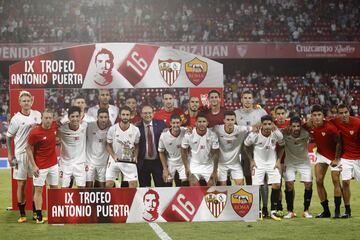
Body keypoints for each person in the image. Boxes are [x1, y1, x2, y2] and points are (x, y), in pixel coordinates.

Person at [6, 91, 41, 223]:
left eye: (28, 100)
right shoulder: (16, 119)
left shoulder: (37, 115)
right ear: (20, 103)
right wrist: (10, 154)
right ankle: (22, 214)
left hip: (34, 154)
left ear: (32, 101)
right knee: (21, 183)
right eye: (24, 101)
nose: (26, 103)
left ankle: (34, 212)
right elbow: (9, 137)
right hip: (20, 154)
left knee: (35, 183)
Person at [305, 104, 342, 218]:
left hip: (334, 156)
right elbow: (295, 128)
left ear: (323, 116)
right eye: (314, 115)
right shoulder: (309, 126)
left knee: (335, 180)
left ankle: (337, 211)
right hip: (321, 154)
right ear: (311, 116)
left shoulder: (330, 127)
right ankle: (326, 211)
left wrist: (336, 158)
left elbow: (339, 142)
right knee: (319, 181)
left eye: (319, 115)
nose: (317, 117)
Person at [234, 91, 268, 215]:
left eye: (250, 98)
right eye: (245, 98)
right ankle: (253, 207)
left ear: (253, 100)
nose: (247, 100)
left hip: (261, 150)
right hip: (245, 151)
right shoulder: (236, 114)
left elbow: (270, 125)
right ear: (241, 100)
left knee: (262, 180)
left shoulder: (261, 112)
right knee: (248, 179)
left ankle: (264, 209)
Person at [244, 115, 283, 221]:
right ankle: (258, 212)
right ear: (261, 125)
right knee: (256, 186)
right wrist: (251, 160)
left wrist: (279, 161)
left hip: (272, 164)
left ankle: (273, 211)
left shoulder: (277, 134)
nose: (267, 126)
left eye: (269, 124)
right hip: (258, 164)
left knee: (276, 184)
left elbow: (283, 145)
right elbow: (246, 146)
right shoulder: (254, 134)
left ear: (272, 124)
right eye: (265, 124)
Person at [26, 109, 58, 224]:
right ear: (42, 118)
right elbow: (28, 148)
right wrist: (34, 166)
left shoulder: (55, 127)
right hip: (40, 166)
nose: (48, 120)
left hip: (53, 165)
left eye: (50, 118)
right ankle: (39, 216)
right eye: (46, 118)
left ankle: (55, 214)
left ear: (52, 119)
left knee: (54, 189)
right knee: (39, 190)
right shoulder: (35, 132)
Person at [279, 116, 313, 219]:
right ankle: (290, 211)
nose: (296, 128)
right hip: (290, 163)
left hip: (304, 163)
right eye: (294, 126)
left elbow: (311, 125)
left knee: (308, 184)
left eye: (298, 126)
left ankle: (306, 211)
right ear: (290, 126)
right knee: (289, 185)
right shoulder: (284, 134)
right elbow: (276, 133)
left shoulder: (306, 133)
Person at [331, 104, 360, 218]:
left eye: (345, 112)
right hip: (346, 157)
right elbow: (323, 122)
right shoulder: (335, 122)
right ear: (338, 114)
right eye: (341, 113)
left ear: (349, 112)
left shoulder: (357, 123)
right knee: (345, 182)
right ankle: (347, 211)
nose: (343, 115)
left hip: (359, 157)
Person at [213, 111, 252, 186]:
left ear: (235, 120)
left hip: (235, 163)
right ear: (224, 120)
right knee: (222, 187)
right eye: (228, 120)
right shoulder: (217, 129)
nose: (230, 122)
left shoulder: (241, 129)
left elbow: (254, 128)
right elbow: (205, 130)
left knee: (240, 185)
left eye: (232, 120)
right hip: (221, 164)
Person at [105, 106, 140, 188]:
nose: (125, 117)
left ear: (130, 116)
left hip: (129, 160)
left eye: (127, 115)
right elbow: (108, 145)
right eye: (123, 114)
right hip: (114, 160)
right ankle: (112, 201)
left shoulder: (135, 130)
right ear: (120, 116)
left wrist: (135, 156)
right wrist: (114, 156)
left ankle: (129, 201)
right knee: (108, 184)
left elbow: (137, 145)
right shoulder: (112, 129)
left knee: (133, 185)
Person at [181, 113, 219, 186]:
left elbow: (216, 154)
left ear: (207, 123)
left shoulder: (213, 135)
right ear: (196, 123)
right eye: (199, 122)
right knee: (193, 183)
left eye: (204, 122)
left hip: (208, 164)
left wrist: (215, 170)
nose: (202, 124)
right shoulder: (189, 134)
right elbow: (183, 150)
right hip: (194, 164)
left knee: (211, 186)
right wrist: (186, 167)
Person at [58, 106, 87, 188]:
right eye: (72, 116)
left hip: (80, 163)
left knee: (82, 190)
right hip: (65, 164)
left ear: (80, 117)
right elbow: (54, 131)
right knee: (64, 190)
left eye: (77, 116)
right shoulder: (62, 129)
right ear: (68, 117)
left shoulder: (84, 126)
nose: (75, 119)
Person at [137, 105, 167, 187]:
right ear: (141, 114)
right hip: (143, 162)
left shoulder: (161, 124)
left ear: (153, 114)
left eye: (149, 113)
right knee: (144, 188)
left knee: (161, 186)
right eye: (145, 113)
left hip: (158, 161)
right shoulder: (136, 127)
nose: (147, 115)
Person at [158, 114, 189, 186]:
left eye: (178, 123)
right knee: (167, 183)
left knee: (185, 184)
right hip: (171, 162)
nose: (176, 125)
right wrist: (165, 168)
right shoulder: (164, 135)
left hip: (183, 162)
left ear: (181, 123)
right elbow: (161, 152)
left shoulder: (185, 131)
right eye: (174, 123)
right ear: (170, 123)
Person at [85, 108, 110, 188]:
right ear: (97, 117)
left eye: (105, 117)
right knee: (88, 187)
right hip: (89, 162)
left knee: (102, 188)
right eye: (101, 117)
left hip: (103, 163)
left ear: (108, 118)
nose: (103, 119)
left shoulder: (111, 129)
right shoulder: (89, 126)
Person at [273, 105, 290, 215]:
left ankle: (290, 208)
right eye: (278, 114)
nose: (280, 116)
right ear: (275, 114)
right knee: (277, 184)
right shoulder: (271, 124)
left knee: (289, 185)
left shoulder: (290, 124)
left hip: (289, 159)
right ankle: (279, 207)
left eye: (282, 113)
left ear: (285, 114)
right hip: (276, 159)